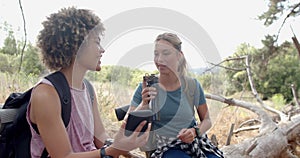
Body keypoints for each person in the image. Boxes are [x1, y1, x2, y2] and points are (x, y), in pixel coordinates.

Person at [26, 6, 151, 158]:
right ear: (77, 46)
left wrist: (127, 152)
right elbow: (63, 156)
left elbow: (100, 138)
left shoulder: (88, 89)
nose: (102, 50)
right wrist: (113, 150)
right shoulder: (46, 94)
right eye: (97, 42)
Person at [128, 33, 223, 158]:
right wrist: (144, 104)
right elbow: (128, 124)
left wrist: (194, 132)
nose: (159, 59)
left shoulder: (192, 85)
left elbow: (207, 120)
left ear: (179, 56)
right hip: (164, 148)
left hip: (194, 142)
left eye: (166, 53)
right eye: (156, 54)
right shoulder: (146, 87)